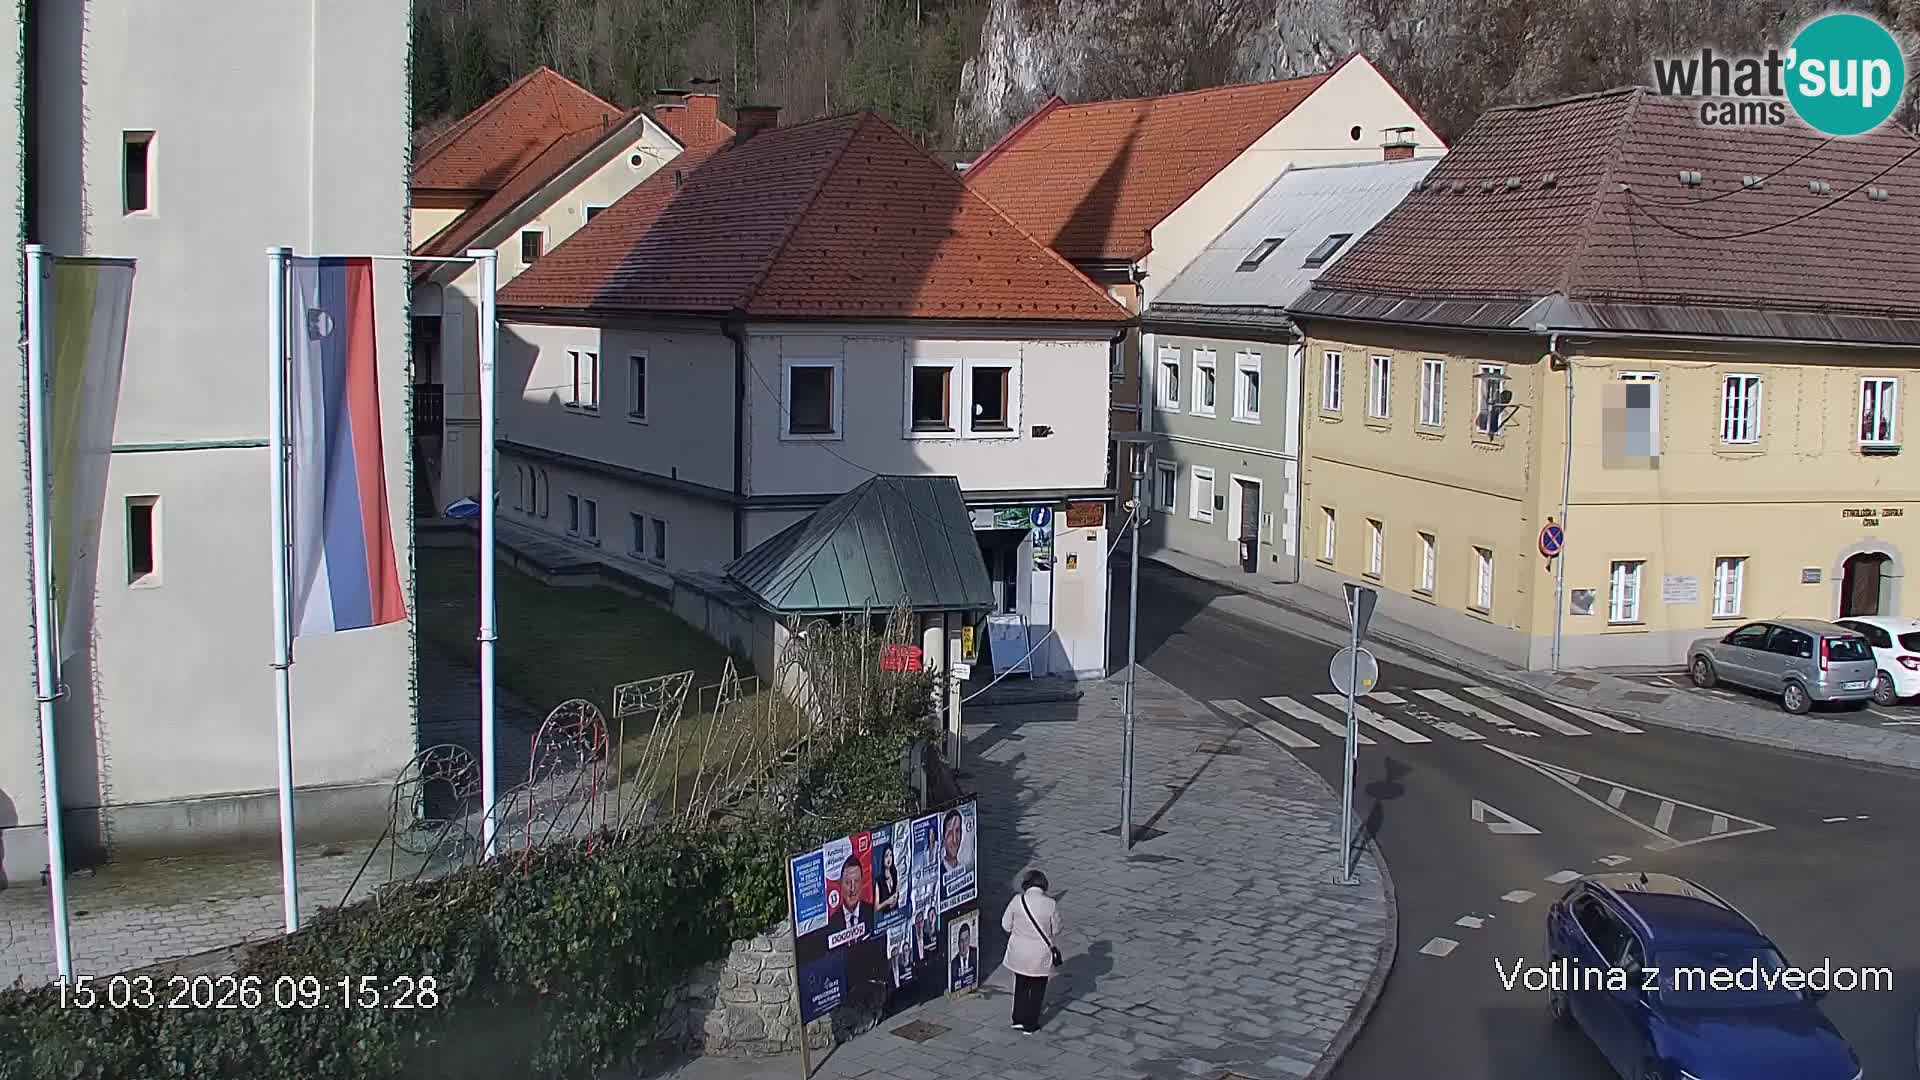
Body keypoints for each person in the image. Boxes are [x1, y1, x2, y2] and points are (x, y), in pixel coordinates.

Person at [1001, 870, 1061, 1032]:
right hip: (1039, 955)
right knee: (1037, 989)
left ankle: (1018, 1019)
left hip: (1019, 953)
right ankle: (1030, 1024)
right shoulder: (1050, 904)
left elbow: (1005, 925)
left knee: (1021, 985)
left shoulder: (1017, 900)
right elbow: (1056, 929)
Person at [825, 854, 872, 937]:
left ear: (862, 882)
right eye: (848, 882)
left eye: (856, 881)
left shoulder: (872, 913)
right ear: (841, 884)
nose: (852, 889)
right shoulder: (832, 923)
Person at [949, 922, 978, 989]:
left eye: (966, 939)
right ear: (958, 943)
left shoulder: (975, 954)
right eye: (961, 940)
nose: (964, 944)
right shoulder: (953, 964)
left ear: (969, 939)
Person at [875, 847, 901, 911]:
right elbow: (876, 908)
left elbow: (898, 893)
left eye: (891, 855)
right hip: (884, 917)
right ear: (882, 859)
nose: (889, 859)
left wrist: (895, 898)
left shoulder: (895, 874)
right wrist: (887, 902)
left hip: (895, 914)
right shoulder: (878, 880)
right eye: (886, 856)